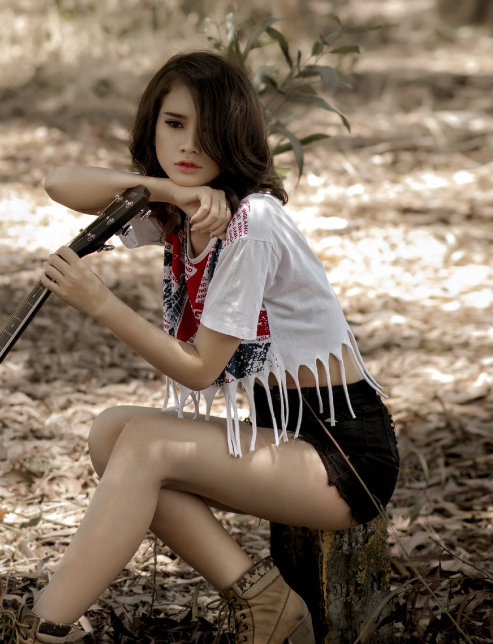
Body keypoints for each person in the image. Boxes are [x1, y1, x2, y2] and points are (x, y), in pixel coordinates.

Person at [24, 51, 399, 644]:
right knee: (110, 433)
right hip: (284, 439)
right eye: (173, 123)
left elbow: (200, 370)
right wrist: (153, 186)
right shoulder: (183, 208)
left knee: (146, 442)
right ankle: (263, 599)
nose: (188, 144)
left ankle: (46, 629)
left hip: (340, 456)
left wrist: (100, 303)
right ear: (153, 123)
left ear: (237, 134)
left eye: (207, 128)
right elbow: (58, 183)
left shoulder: (253, 222)